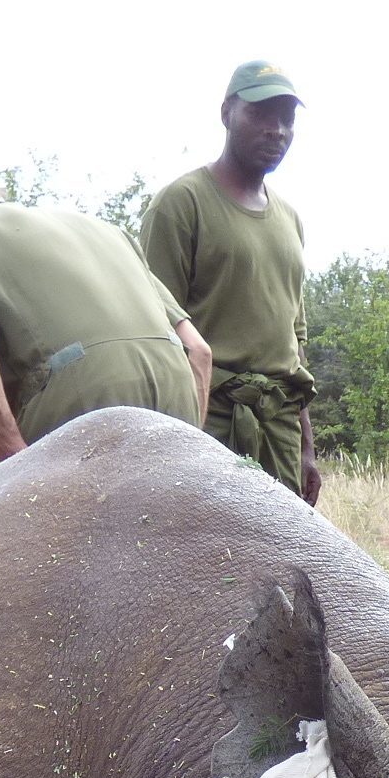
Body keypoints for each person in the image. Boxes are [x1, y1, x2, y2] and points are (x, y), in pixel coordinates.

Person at [0, 164, 213, 460]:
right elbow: (199, 350)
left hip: (84, 408)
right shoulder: (109, 232)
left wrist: (13, 458)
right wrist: (190, 447)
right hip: (179, 404)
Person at [142, 62, 320, 503]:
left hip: (278, 425)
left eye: (286, 119)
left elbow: (292, 344)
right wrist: (169, 445)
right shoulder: (181, 204)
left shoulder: (291, 220)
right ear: (226, 114)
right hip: (207, 422)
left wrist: (305, 446)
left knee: (284, 561)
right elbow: (153, 329)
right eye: (259, 114)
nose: (276, 130)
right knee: (202, 560)